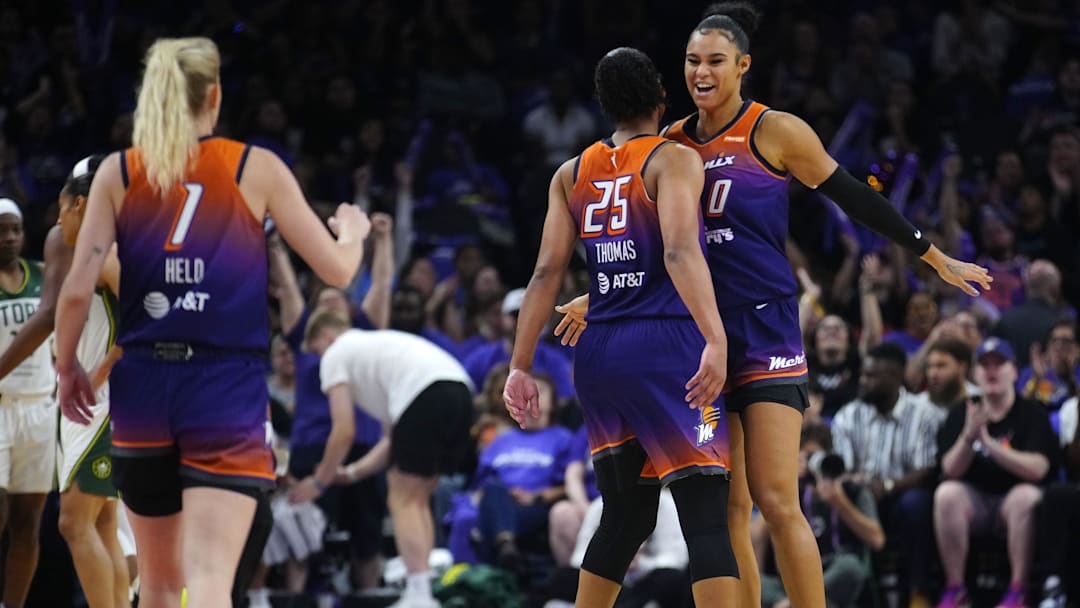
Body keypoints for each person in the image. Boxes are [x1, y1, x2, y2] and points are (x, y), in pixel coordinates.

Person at [553, 4, 993, 607]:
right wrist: (593, 295)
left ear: (743, 66)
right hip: (693, 339)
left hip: (763, 329)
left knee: (777, 498)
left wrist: (931, 254)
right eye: (691, 61)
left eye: (714, 62)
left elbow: (854, 198)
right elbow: (659, 249)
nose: (701, 72)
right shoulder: (670, 142)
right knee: (728, 506)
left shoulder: (775, 131)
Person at [54, 37, 368, 608]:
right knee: (210, 584)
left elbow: (76, 290)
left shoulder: (119, 172)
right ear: (215, 96)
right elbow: (338, 272)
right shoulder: (255, 166)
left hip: (144, 388)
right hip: (223, 387)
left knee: (157, 588)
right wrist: (353, 231)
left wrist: (67, 368)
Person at [505, 47, 737, 608]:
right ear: (661, 98)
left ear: (604, 106)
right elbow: (680, 253)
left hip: (600, 352)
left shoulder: (570, 173)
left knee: (626, 517)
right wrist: (715, 338)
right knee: (706, 517)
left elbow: (543, 274)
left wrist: (519, 365)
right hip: (667, 345)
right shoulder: (672, 160)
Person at [299, 312, 475, 608]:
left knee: (402, 499)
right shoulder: (379, 352)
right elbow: (391, 442)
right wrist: (352, 473)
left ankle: (418, 593)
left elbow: (343, 430)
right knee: (417, 498)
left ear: (326, 337)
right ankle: (424, 590)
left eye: (317, 350)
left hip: (425, 395)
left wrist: (320, 480)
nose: (320, 359)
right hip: (460, 392)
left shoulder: (337, 353)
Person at [934, 338, 1060, 608]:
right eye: (984, 365)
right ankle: (955, 589)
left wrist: (990, 444)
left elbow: (1038, 469)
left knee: (1025, 496)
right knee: (946, 494)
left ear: (1015, 371)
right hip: (975, 505)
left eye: (999, 364)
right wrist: (969, 437)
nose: (991, 371)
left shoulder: (1031, 412)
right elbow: (949, 469)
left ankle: (1018, 590)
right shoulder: (962, 412)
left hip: (1014, 506)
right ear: (974, 374)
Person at [0, 197, 56, 608]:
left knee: (28, 524)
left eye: (15, 229)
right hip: (0, 407)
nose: (10, 238)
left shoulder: (42, 275)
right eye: (2, 230)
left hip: (40, 406)